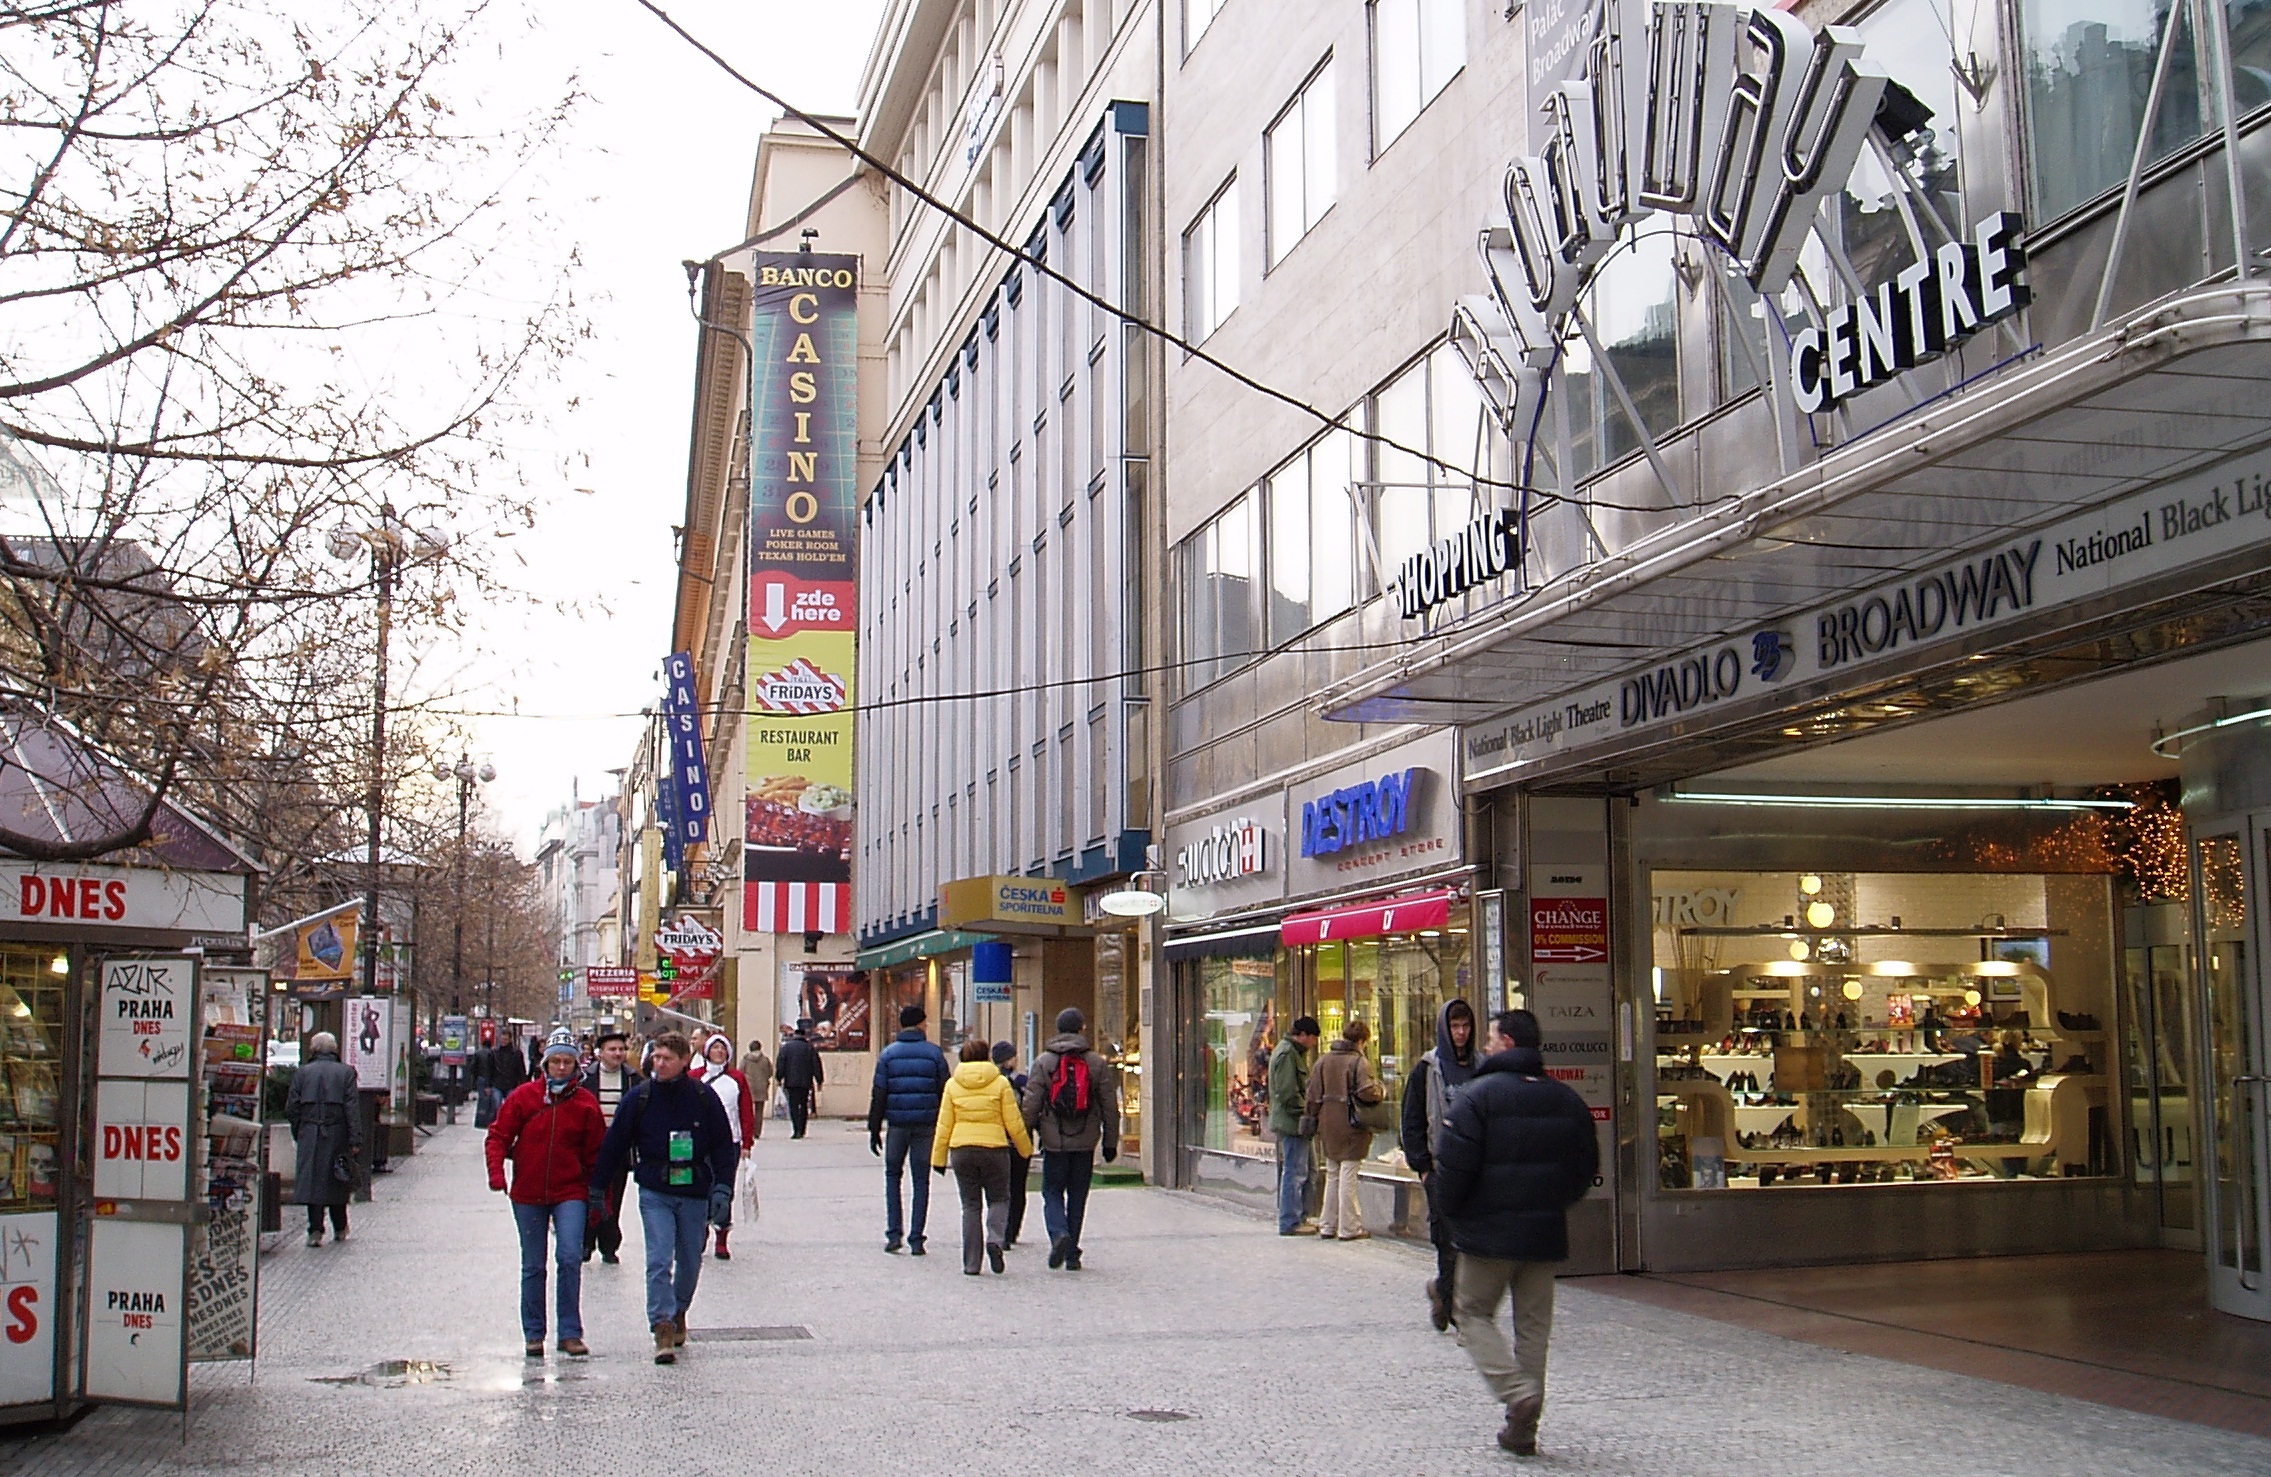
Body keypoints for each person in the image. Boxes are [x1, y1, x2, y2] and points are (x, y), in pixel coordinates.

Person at [1432, 1010, 1598, 1458]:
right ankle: (1524, 1429)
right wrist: (1551, 1203)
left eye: (1489, 1037)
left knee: (1471, 1313)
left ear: (1506, 1042)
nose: (1484, 1045)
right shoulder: (1565, 1100)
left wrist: (1455, 1215)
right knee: (1533, 1328)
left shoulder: (1476, 1098)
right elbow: (1585, 1169)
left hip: (1487, 1235)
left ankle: (1516, 1394)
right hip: (1543, 1234)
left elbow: (1453, 1168)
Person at [589, 1030, 737, 1365]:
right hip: (655, 1187)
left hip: (694, 1188)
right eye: (655, 1057)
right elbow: (615, 1145)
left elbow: (722, 1146)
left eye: (667, 1058)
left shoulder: (703, 1097)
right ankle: (662, 1324)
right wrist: (598, 1188)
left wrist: (723, 1187)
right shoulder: (640, 1098)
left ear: (685, 1060)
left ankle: (679, 1307)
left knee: (690, 1259)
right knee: (658, 1258)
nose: (659, 1063)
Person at [487, 1029, 607, 1357]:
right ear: (545, 1064)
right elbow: (497, 1135)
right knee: (533, 1265)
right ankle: (534, 1333)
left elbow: (596, 1154)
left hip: (570, 1191)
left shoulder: (585, 1104)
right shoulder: (524, 1098)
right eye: (556, 1061)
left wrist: (599, 1198)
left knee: (569, 1256)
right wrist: (497, 1173)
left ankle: (570, 1332)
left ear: (576, 1066)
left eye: (568, 1061)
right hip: (527, 1193)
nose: (561, 1067)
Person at [1401, 999, 1480, 1330]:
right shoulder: (1428, 1068)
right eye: (1454, 1027)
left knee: (1472, 1240)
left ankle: (1448, 1297)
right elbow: (1412, 1118)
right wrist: (1421, 1165)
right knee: (1446, 1240)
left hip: (1476, 1168)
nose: (1460, 1033)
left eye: (1465, 1026)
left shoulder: (1481, 1065)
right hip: (1440, 1167)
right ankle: (1450, 1302)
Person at [1020, 1008, 1119, 1271]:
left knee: (1051, 1191)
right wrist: (1111, 1141)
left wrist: (1024, 1135)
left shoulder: (1043, 1062)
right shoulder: (1096, 1062)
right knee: (1078, 1195)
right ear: (1081, 1029)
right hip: (1086, 1141)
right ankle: (1072, 1251)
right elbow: (1110, 1106)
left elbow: (1031, 1103)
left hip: (1054, 1141)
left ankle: (1058, 1233)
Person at [931, 1038, 1034, 1276]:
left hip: (962, 1150)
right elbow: (1014, 1122)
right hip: (995, 1149)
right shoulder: (999, 1083)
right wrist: (1025, 1149)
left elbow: (944, 1124)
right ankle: (996, 1239)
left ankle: (971, 1263)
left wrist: (938, 1158)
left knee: (970, 1206)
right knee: (999, 1199)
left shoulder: (952, 1085)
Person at [868, 1004, 952, 1254]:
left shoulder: (888, 1055)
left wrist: (874, 1128)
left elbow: (879, 1094)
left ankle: (894, 1233)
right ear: (921, 1024)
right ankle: (917, 1238)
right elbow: (945, 1092)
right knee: (921, 1180)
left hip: (897, 1125)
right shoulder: (934, 1054)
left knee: (893, 1177)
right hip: (926, 1125)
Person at [1306, 1018, 1386, 1240]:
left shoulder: (1323, 1061)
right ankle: (1349, 1227)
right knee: (1348, 1173)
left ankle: (1327, 1224)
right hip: (1351, 1124)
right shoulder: (1359, 1062)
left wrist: (1312, 1117)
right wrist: (1381, 1089)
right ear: (1361, 1040)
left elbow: (1312, 1094)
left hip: (1328, 1123)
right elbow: (1367, 1091)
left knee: (1333, 1173)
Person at [287, 1031, 362, 1247]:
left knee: (313, 1182)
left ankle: (315, 1229)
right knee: (337, 1178)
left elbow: (292, 1107)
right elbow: (351, 1108)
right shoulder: (346, 1073)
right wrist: (355, 1138)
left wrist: (299, 1130)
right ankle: (340, 1227)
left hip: (310, 1131)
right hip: (337, 1132)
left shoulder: (303, 1073)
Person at [580, 1031, 641, 1264]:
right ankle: (586, 1242)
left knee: (613, 1199)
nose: (618, 1053)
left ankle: (609, 1245)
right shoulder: (585, 1079)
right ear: (600, 1053)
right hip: (591, 1149)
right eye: (612, 1049)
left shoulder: (633, 1079)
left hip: (618, 1150)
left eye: (621, 1049)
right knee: (588, 1196)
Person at [697, 1034, 757, 1258]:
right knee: (701, 1188)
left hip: (728, 1143)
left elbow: (745, 1111)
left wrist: (747, 1142)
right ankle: (699, 1233)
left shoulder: (737, 1079)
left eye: (723, 1049)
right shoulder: (696, 1077)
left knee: (723, 1190)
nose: (719, 1052)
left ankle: (722, 1237)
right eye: (715, 1048)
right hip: (701, 1143)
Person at [1268, 1016, 1322, 1236]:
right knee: (1295, 1172)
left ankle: (1300, 1216)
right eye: (1312, 1039)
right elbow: (1287, 1093)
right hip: (1293, 1124)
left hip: (1298, 1123)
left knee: (1309, 1171)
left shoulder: (1293, 1053)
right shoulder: (1287, 1054)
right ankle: (1290, 1221)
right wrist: (1307, 1110)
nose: (1314, 1044)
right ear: (1303, 1036)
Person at [990, 1040, 1031, 1249]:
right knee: (1018, 1187)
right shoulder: (1022, 1080)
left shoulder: (991, 1081)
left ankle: (1000, 1231)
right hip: (1019, 1139)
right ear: (1008, 1059)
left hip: (997, 1139)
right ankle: (1011, 1231)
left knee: (1000, 1188)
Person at [776, 1019, 824, 1138]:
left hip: (790, 1082)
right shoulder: (809, 1048)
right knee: (803, 1105)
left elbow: (781, 1063)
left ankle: (795, 1129)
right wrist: (819, 1080)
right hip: (805, 1082)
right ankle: (802, 1129)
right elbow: (816, 1064)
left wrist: (779, 1077)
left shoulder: (786, 1048)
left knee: (793, 1105)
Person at [740, 1038, 775, 1139]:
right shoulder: (765, 1060)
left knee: (748, 1110)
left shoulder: (745, 1059)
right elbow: (770, 1072)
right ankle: (757, 1132)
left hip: (748, 1087)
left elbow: (741, 1071)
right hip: (762, 1087)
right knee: (759, 1111)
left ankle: (749, 1131)